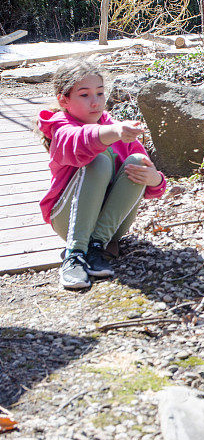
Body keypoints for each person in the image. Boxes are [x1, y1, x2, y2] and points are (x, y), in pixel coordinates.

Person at [38, 59, 166, 290]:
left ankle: (96, 247)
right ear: (63, 100)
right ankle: (74, 255)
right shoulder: (61, 126)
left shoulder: (114, 127)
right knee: (97, 158)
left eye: (99, 93)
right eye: (84, 95)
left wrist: (154, 179)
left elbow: (155, 185)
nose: (95, 102)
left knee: (137, 161)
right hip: (69, 220)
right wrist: (114, 132)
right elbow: (81, 141)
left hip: (110, 228)